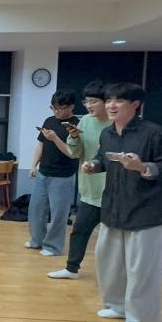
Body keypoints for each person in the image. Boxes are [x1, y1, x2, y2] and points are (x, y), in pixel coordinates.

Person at [82, 83, 162, 322]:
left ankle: (138, 318)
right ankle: (116, 306)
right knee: (109, 262)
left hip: (147, 211)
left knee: (141, 269)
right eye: (108, 100)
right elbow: (103, 157)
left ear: (135, 104)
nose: (111, 105)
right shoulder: (108, 134)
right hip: (114, 208)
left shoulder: (155, 134)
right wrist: (94, 165)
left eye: (118, 101)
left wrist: (142, 167)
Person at [44, 81, 112, 280]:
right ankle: (71, 269)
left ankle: (112, 275)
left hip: (113, 191)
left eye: (93, 101)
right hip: (89, 189)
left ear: (107, 102)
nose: (89, 106)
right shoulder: (86, 122)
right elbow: (75, 152)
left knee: (112, 239)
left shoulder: (116, 124)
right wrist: (73, 136)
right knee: (79, 231)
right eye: (87, 101)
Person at [26, 90, 79, 256]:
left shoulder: (75, 126)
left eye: (60, 108)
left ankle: (53, 247)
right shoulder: (49, 121)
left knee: (58, 214)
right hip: (43, 173)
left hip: (63, 176)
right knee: (35, 210)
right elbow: (40, 145)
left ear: (71, 107)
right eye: (53, 108)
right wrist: (33, 165)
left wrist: (55, 138)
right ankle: (36, 240)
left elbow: (72, 153)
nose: (56, 112)